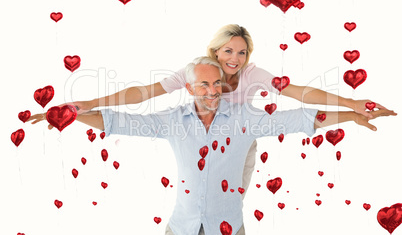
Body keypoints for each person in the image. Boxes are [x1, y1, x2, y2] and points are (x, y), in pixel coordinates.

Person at [30, 57, 396, 235]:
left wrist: (350, 114)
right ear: (189, 88)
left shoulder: (244, 119)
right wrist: (68, 113)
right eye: (202, 85)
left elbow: (302, 119)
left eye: (216, 84)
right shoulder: (173, 121)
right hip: (180, 228)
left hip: (229, 228)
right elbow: (117, 121)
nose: (211, 91)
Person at [48, 24, 389, 196]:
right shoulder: (198, 71)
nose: (234, 60)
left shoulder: (254, 75)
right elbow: (144, 92)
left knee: (225, 204)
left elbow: (300, 92)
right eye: (228, 51)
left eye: (241, 53)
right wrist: (91, 104)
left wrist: (351, 105)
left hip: (238, 142)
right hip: (196, 137)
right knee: (195, 201)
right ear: (216, 50)